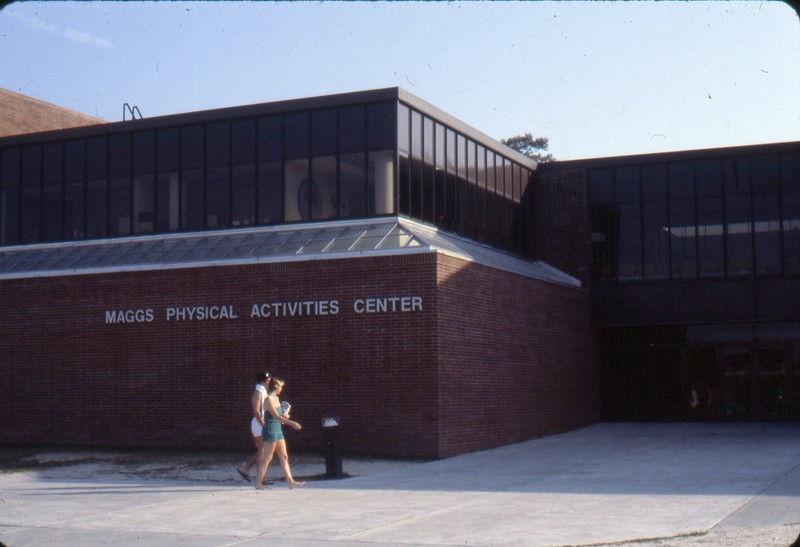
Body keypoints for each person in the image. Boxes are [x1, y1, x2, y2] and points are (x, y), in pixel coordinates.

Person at [255, 376, 304, 490]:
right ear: (276, 387)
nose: (282, 389)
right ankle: (258, 483)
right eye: (281, 386)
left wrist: (285, 415)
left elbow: (279, 414)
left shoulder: (277, 399)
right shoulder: (268, 399)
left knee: (284, 456)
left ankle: (290, 482)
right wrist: (291, 423)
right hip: (270, 429)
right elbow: (275, 416)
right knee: (268, 457)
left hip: (278, 429)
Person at [237, 371, 269, 482]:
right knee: (262, 451)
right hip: (258, 424)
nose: (269, 380)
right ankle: (256, 475)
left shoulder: (263, 391)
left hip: (262, 423)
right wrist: (263, 424)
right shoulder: (258, 392)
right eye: (267, 379)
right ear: (263, 380)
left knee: (264, 450)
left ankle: (248, 470)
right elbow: (256, 411)